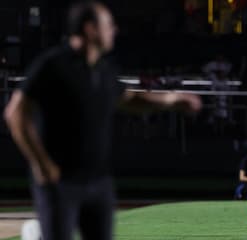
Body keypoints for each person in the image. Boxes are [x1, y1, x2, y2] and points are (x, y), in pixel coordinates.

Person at [3, 2, 201, 240]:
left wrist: (173, 100)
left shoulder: (103, 69)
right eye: (108, 24)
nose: (114, 30)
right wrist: (41, 164)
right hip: (60, 181)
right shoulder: (53, 65)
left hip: (99, 182)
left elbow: (129, 98)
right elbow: (15, 113)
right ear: (90, 29)